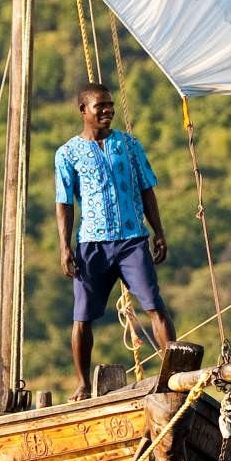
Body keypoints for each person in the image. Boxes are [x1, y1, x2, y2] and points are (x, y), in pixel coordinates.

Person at [54, 81, 176, 401]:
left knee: (155, 306)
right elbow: (64, 202)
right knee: (82, 317)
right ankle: (82, 383)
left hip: (132, 239)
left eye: (110, 105)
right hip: (91, 244)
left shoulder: (129, 145)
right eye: (101, 107)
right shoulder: (67, 154)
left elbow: (147, 188)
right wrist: (65, 246)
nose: (108, 111)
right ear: (84, 111)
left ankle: (173, 375)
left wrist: (158, 231)